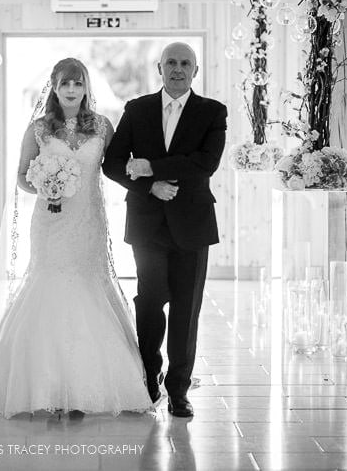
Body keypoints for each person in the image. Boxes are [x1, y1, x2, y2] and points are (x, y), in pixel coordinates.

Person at [0, 58, 152, 417]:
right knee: (48, 284)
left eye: (78, 83)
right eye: (65, 84)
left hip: (89, 222)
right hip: (50, 223)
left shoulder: (103, 126)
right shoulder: (40, 129)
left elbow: (118, 165)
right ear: (55, 87)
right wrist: (45, 186)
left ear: (87, 87)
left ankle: (86, 388)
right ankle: (44, 384)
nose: (71, 90)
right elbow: (21, 177)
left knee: (88, 285)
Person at [102, 42, 227, 418]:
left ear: (195, 70)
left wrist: (150, 167)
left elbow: (206, 163)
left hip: (193, 225)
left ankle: (179, 390)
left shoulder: (212, 112)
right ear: (160, 68)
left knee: (187, 311)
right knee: (151, 304)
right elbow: (112, 164)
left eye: (184, 63)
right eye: (170, 62)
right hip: (147, 225)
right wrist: (148, 185)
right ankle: (149, 377)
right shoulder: (136, 110)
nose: (177, 68)